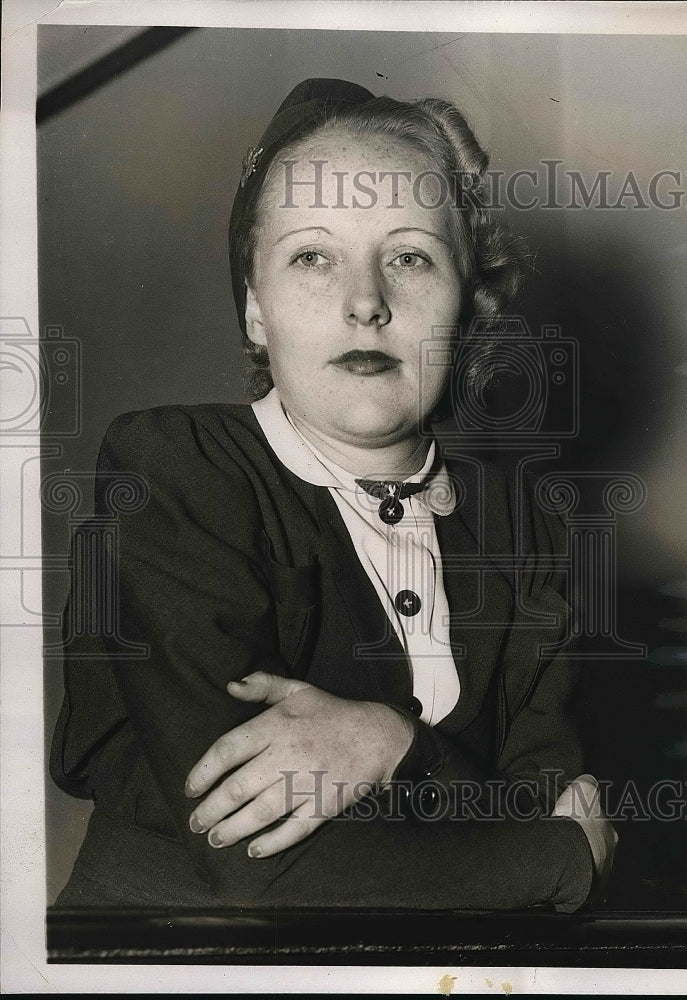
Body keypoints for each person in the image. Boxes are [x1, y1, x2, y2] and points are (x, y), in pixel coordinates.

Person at [50, 78, 616, 911]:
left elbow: (538, 800)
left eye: (410, 257)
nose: (365, 304)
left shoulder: (531, 526)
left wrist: (392, 744)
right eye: (313, 256)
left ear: (468, 305)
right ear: (255, 309)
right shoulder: (177, 471)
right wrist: (558, 862)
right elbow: (256, 861)